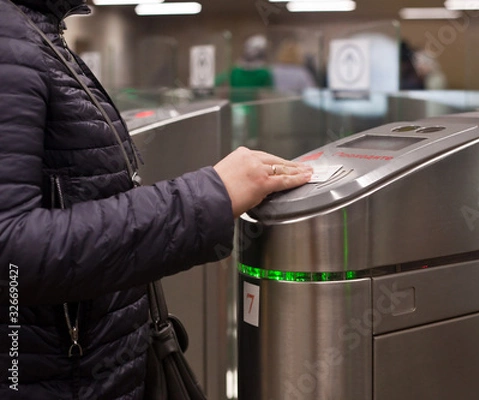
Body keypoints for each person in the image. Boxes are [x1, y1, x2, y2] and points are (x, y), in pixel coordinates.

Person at [0, 1, 312, 399]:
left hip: (95, 369)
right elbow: (11, 254)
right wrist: (209, 194)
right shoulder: (9, 40)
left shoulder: (36, 33)